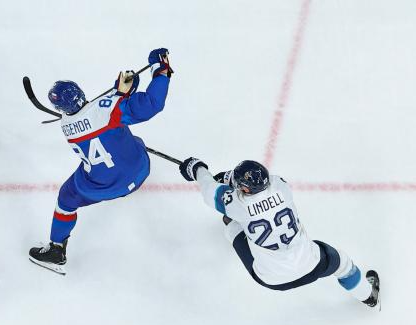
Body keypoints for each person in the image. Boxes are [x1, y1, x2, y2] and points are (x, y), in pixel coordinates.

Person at [29, 47, 174, 274]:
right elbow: (151, 104)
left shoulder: (66, 127)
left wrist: (119, 94)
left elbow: (96, 116)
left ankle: (56, 249)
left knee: (66, 199)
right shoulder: (109, 109)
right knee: (130, 138)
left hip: (102, 187)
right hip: (141, 168)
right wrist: (160, 71)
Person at [179, 157, 380, 306]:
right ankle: (368, 296)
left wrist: (197, 168)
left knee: (232, 225)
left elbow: (209, 190)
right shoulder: (280, 185)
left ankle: (231, 225)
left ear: (244, 190)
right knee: (342, 264)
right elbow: (253, 189)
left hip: (271, 278)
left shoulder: (236, 204)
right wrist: (231, 178)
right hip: (312, 265)